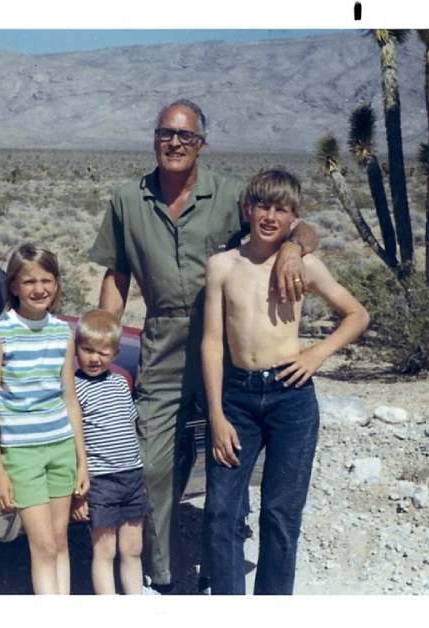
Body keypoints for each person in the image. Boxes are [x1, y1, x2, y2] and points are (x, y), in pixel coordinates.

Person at [89, 99, 319, 594]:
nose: (175, 142)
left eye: (186, 136)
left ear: (201, 144)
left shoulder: (234, 193)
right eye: (166, 133)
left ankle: (221, 569)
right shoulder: (128, 200)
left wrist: (296, 248)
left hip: (228, 347)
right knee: (154, 462)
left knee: (227, 458)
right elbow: (117, 274)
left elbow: (295, 223)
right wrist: (102, 342)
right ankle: (169, 576)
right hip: (163, 342)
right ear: (154, 139)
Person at [201, 169, 370, 595]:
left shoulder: (305, 264)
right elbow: (212, 343)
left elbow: (357, 314)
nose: (270, 216)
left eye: (281, 209)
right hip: (237, 398)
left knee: (280, 511)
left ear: (294, 219)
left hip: (291, 398)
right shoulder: (223, 265)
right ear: (247, 210)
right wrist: (217, 415)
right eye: (263, 206)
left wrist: (316, 354)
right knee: (220, 510)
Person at [0, 243, 89, 595]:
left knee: (59, 541)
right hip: (22, 454)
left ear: (57, 284)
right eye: (29, 282)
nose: (38, 289)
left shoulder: (62, 332)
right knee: (41, 546)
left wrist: (81, 461)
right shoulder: (0, 334)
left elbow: (70, 400)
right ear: (13, 286)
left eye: (46, 280)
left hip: (60, 448)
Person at [70, 309, 153, 595]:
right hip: (100, 481)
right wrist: (77, 494)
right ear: (76, 348)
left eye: (103, 352)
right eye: (88, 350)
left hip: (131, 477)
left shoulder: (119, 383)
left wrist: (140, 473)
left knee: (133, 547)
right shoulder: (72, 389)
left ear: (116, 353)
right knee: (104, 551)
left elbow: (130, 430)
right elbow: (72, 442)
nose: (95, 358)